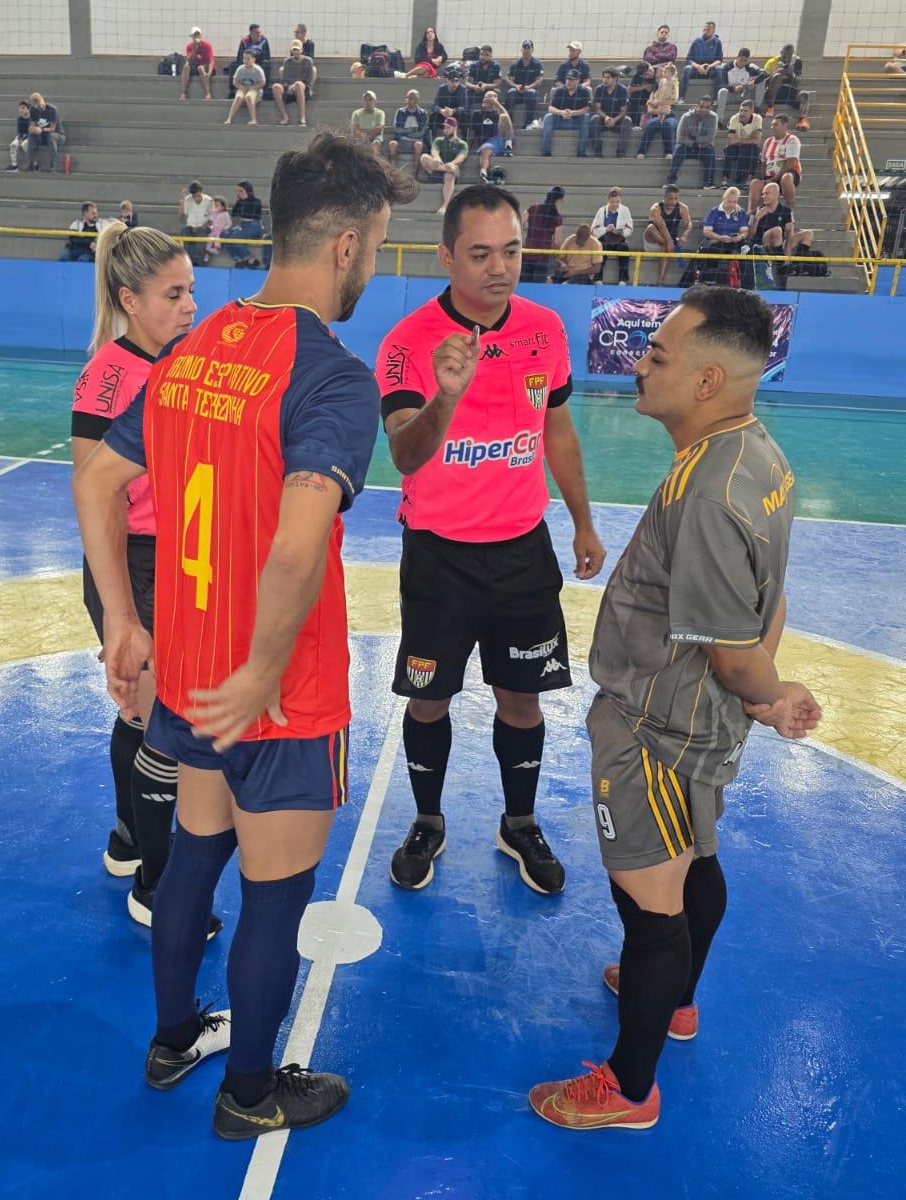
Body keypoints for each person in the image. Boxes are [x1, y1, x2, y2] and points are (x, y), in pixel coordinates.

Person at [74, 129, 417, 1141]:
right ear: (347, 245)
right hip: (278, 692)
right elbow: (301, 535)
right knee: (273, 899)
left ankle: (174, 1036)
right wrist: (267, 665)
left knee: (192, 857)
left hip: (185, 673)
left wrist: (124, 624)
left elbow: (96, 478)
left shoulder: (190, 349)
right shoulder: (331, 374)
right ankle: (251, 1093)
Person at [528, 286, 821, 1132]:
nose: (639, 363)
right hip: (700, 715)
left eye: (658, 354)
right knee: (695, 859)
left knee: (648, 904)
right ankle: (679, 1001)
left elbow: (733, 651)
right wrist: (759, 690)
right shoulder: (758, 458)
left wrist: (769, 691)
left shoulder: (708, 491)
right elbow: (770, 599)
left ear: (707, 380)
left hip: (658, 724)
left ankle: (628, 1087)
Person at [378, 184, 605, 896]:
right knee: (428, 700)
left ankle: (519, 820)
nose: (498, 268)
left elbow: (557, 431)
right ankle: (428, 819)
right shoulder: (407, 344)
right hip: (440, 557)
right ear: (447, 256)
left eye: (510, 251)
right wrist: (446, 394)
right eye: (479, 254)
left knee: (522, 700)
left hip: (521, 551)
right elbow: (405, 457)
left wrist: (583, 519)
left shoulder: (545, 329)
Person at [70, 222, 200, 929]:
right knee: (162, 730)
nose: (189, 306)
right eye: (173, 294)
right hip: (134, 563)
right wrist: (119, 609)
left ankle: (127, 838)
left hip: (180, 559)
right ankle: (158, 891)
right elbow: (96, 496)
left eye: (192, 291)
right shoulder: (107, 377)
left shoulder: (188, 361)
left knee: (141, 714)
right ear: (129, 298)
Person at [748, 181, 815, 288]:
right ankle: (780, 264)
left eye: (767, 193)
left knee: (808, 234)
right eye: (763, 194)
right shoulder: (758, 210)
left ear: (776, 194)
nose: (763, 196)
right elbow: (750, 236)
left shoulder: (785, 210)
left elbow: (789, 233)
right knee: (777, 230)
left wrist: (788, 254)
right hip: (763, 242)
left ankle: (798, 265)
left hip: (780, 241)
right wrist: (757, 218)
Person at [697, 187, 749, 285]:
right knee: (713, 247)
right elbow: (706, 231)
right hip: (718, 241)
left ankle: (743, 281)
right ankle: (711, 279)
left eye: (734, 202)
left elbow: (745, 232)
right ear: (724, 199)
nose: (732, 204)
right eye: (729, 201)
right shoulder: (714, 211)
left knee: (747, 247)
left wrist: (739, 237)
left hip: (734, 242)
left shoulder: (741, 212)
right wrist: (719, 237)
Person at [643, 184, 692, 286]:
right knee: (651, 228)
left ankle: (660, 281)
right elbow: (662, 226)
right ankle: (671, 246)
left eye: (676, 199)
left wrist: (684, 236)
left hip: (668, 243)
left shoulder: (683, 208)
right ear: (664, 198)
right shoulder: (655, 209)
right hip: (652, 241)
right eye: (670, 199)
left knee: (665, 245)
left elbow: (689, 224)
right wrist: (670, 242)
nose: (673, 202)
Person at [420, 116, 470, 213]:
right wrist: (436, 158)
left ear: (454, 128)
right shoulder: (439, 140)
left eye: (448, 127)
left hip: (452, 169)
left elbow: (461, 157)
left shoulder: (462, 144)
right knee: (424, 157)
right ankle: (445, 169)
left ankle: (445, 205)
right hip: (439, 167)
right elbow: (434, 150)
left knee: (449, 174)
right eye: (444, 127)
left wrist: (452, 163)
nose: (445, 129)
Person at [667, 96, 717, 188]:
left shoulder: (713, 117)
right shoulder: (686, 116)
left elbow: (709, 138)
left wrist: (692, 137)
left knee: (710, 152)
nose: (703, 109)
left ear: (711, 108)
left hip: (703, 148)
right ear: (696, 106)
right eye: (701, 106)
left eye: (707, 107)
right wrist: (695, 143)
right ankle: (671, 181)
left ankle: (708, 182)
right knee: (678, 149)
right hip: (688, 147)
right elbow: (680, 138)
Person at [540, 71, 593, 157]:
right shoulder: (559, 90)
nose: (569, 82)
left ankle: (581, 152)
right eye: (568, 79)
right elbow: (550, 108)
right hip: (560, 120)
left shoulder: (583, 91)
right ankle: (546, 151)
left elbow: (586, 109)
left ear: (577, 81)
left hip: (576, 121)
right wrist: (561, 112)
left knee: (586, 118)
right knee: (548, 117)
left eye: (572, 80)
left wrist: (573, 113)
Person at [521, 186, 564, 283]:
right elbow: (557, 242)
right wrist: (559, 257)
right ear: (559, 200)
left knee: (523, 287)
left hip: (527, 253)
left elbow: (520, 222)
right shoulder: (557, 217)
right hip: (542, 258)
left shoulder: (533, 208)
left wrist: (524, 235)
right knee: (537, 289)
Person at [761, 45, 810, 130]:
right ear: (780, 53)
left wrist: (792, 74)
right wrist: (777, 72)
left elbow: (797, 82)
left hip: (789, 92)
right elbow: (763, 80)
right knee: (778, 76)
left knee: (805, 94)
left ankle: (802, 120)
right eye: (784, 55)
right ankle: (770, 107)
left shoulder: (797, 61)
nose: (786, 57)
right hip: (774, 91)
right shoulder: (772, 62)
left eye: (789, 55)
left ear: (792, 54)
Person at [760, 114, 802, 209]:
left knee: (786, 178)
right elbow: (763, 162)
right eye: (772, 125)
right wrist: (762, 178)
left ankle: (790, 211)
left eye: (776, 125)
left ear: (785, 125)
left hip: (788, 173)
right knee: (755, 183)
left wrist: (775, 178)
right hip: (769, 175)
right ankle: (752, 213)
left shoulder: (792, 140)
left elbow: (791, 162)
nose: (772, 127)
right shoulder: (768, 141)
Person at [636, 63, 679, 158]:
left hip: (670, 115)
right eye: (658, 78)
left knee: (667, 125)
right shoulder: (653, 93)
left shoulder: (672, 87)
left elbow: (673, 103)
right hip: (656, 115)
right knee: (651, 124)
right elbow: (649, 109)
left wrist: (658, 105)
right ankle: (641, 151)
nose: (660, 79)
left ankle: (669, 152)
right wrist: (659, 111)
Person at [595, 187, 635, 284]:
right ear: (608, 200)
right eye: (613, 202)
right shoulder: (601, 211)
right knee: (600, 249)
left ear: (620, 200)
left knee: (625, 248)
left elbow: (629, 228)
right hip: (605, 239)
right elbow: (594, 229)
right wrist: (605, 229)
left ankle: (622, 280)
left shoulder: (625, 210)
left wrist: (620, 232)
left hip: (619, 239)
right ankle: (598, 279)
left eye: (617, 202)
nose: (615, 204)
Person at [272, 40, 317, 126]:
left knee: (298, 84)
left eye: (297, 49)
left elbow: (308, 81)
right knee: (276, 87)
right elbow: (285, 80)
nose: (296, 52)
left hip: (303, 88)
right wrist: (289, 87)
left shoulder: (308, 61)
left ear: (302, 50)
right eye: (294, 50)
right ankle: (285, 117)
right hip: (289, 88)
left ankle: (302, 118)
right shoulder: (287, 61)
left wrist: (296, 85)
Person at [720, 98, 762, 190]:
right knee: (729, 151)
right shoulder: (734, 118)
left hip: (749, 147)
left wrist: (739, 140)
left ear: (752, 111)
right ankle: (724, 181)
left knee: (753, 151)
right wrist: (748, 140)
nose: (742, 113)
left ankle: (748, 181)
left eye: (745, 111)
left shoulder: (757, 119)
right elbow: (731, 139)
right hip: (736, 147)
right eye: (741, 110)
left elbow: (757, 140)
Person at [591, 69, 633, 157]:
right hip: (603, 119)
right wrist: (606, 117)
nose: (605, 80)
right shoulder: (599, 89)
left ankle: (621, 152)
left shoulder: (622, 90)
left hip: (617, 120)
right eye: (603, 77)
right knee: (594, 119)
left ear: (615, 78)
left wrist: (614, 120)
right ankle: (597, 150)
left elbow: (623, 110)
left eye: (608, 77)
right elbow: (597, 109)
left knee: (627, 120)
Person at [715, 48, 765, 121]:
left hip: (745, 94)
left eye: (745, 60)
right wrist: (733, 88)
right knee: (722, 91)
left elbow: (764, 74)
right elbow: (722, 84)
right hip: (731, 94)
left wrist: (754, 82)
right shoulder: (727, 67)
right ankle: (719, 120)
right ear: (737, 57)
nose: (743, 63)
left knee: (761, 81)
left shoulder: (750, 67)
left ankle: (757, 107)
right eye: (741, 60)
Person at [504, 40, 544, 129]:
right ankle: (508, 121)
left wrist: (529, 87)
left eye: (529, 48)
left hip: (530, 90)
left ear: (532, 50)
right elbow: (509, 79)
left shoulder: (537, 64)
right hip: (517, 90)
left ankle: (529, 122)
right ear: (521, 49)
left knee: (532, 93)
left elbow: (540, 80)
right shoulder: (515, 64)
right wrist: (515, 86)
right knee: (511, 92)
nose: (526, 50)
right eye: (525, 48)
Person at [387, 90, 429, 171]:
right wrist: (411, 130)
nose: (408, 100)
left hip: (416, 141)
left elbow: (421, 133)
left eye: (411, 98)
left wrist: (404, 132)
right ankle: (393, 172)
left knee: (419, 145)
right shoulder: (400, 112)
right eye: (407, 98)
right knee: (392, 144)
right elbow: (396, 129)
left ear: (417, 100)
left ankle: (414, 173)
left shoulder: (423, 113)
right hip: (402, 141)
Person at [475, 91, 515, 177]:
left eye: (490, 97)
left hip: (501, 138)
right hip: (488, 142)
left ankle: (508, 146)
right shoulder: (477, 113)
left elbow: (507, 117)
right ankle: (483, 172)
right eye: (486, 97)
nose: (488, 99)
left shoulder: (499, 113)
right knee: (485, 150)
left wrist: (496, 103)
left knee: (504, 117)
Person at [680, 22, 723, 100]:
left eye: (708, 30)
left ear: (713, 31)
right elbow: (689, 59)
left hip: (710, 71)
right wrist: (699, 67)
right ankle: (681, 97)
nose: (705, 32)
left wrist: (709, 66)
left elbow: (719, 60)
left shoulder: (717, 42)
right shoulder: (696, 41)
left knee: (720, 69)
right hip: (696, 70)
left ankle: (716, 99)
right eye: (704, 29)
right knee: (687, 69)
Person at [229, 181, 265, 267]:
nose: (239, 193)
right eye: (238, 191)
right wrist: (239, 202)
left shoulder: (256, 201)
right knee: (226, 236)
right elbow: (233, 214)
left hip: (254, 226)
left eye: (241, 191)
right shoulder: (240, 202)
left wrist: (243, 203)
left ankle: (249, 258)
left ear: (247, 191)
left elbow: (251, 215)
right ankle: (239, 258)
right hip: (243, 225)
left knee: (234, 238)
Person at [225, 50, 266, 124]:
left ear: (253, 59)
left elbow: (263, 83)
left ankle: (254, 119)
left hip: (255, 88)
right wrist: (240, 86)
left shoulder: (258, 70)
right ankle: (229, 118)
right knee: (238, 97)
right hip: (243, 87)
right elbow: (235, 81)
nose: (246, 61)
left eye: (248, 59)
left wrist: (253, 87)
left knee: (249, 97)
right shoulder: (240, 69)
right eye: (244, 58)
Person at [430, 62, 471, 136]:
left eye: (456, 81)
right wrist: (441, 110)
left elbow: (465, 107)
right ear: (447, 81)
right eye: (452, 81)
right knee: (433, 116)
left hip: (457, 116)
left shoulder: (462, 89)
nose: (454, 84)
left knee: (465, 117)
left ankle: (465, 142)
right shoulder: (442, 89)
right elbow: (434, 106)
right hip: (444, 116)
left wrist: (453, 111)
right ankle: (433, 142)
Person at [178, 180, 213, 263]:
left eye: (198, 196)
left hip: (203, 226)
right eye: (193, 196)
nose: (196, 198)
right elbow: (180, 217)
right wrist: (182, 200)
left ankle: (197, 261)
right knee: (184, 231)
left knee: (201, 233)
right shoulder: (187, 200)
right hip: (191, 226)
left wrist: (203, 225)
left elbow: (212, 218)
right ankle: (186, 260)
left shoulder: (209, 200)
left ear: (201, 192)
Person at [25, 91, 61, 171]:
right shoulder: (34, 110)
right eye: (36, 106)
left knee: (50, 136)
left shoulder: (52, 110)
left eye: (39, 106)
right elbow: (32, 125)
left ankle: (53, 164)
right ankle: (30, 164)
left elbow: (53, 129)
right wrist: (32, 129)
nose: (38, 108)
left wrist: (41, 129)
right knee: (31, 135)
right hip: (41, 135)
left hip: (56, 134)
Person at [182, 27, 216, 100]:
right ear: (192, 37)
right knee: (186, 67)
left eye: (198, 35)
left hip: (204, 66)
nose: (196, 37)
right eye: (194, 35)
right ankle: (183, 93)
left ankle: (208, 93)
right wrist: (195, 48)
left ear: (200, 36)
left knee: (200, 68)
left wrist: (209, 73)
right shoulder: (189, 46)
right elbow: (189, 60)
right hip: (194, 66)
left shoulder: (207, 45)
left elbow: (211, 61)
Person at [5, 99, 32, 171]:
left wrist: (24, 139)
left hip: (30, 137)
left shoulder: (32, 119)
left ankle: (32, 164)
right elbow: (19, 131)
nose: (21, 110)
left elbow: (31, 132)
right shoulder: (20, 119)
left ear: (28, 109)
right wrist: (20, 138)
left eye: (23, 108)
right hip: (22, 136)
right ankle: (14, 166)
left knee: (25, 144)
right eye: (20, 108)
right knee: (13, 145)